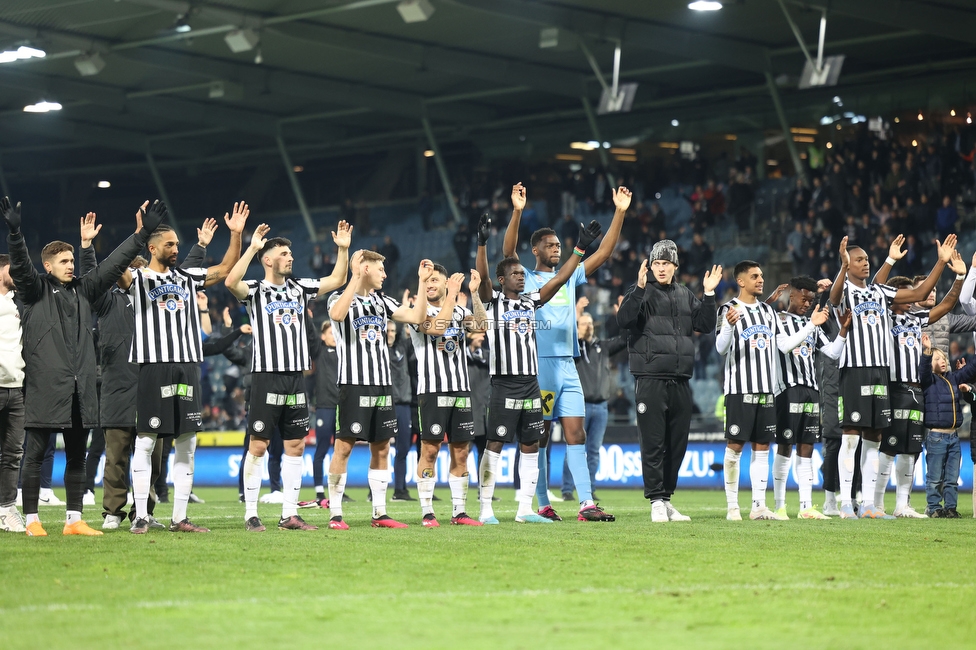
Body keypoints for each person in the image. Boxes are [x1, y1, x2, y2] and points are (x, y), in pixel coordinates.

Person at [5, 197, 170, 537]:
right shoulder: (34, 291)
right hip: (44, 386)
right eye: (63, 261)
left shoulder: (85, 289)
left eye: (71, 260)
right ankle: (33, 520)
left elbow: (114, 264)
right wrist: (16, 233)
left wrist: (142, 236)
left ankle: (74, 520)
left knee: (78, 456)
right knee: (34, 456)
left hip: (81, 389)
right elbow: (20, 266)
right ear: (48, 266)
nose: (70, 265)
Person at [121, 201, 250, 534]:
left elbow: (225, 268)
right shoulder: (138, 277)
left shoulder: (189, 277)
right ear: (152, 248)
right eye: (170, 244)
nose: (177, 249)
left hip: (188, 367)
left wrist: (236, 234)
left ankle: (180, 517)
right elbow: (114, 267)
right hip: (154, 366)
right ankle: (140, 514)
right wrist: (138, 232)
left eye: (178, 244)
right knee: (146, 441)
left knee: (187, 442)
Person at [502, 181, 627, 523]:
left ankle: (586, 503)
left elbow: (604, 254)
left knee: (577, 433)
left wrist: (619, 212)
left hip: (567, 366)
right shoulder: (523, 277)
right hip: (538, 366)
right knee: (538, 436)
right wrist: (517, 211)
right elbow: (508, 251)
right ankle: (542, 503)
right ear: (536, 251)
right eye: (550, 245)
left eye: (559, 245)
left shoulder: (569, 276)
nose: (556, 249)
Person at [82, 214, 213, 530]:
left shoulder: (164, 293)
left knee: (155, 455)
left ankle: (148, 509)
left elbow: (183, 273)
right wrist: (87, 247)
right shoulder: (108, 301)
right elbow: (93, 278)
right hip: (117, 383)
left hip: (153, 382)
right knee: (115, 454)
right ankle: (113, 512)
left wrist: (201, 247)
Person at [475, 213, 603, 524]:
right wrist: (481, 244)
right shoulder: (492, 303)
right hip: (504, 383)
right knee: (496, 444)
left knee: (532, 443)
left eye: (522, 273)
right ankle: (486, 509)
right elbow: (482, 277)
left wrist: (580, 250)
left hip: (531, 383)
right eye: (515, 273)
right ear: (502, 280)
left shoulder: (531, 302)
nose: (521, 276)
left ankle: (525, 510)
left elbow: (560, 280)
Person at [225, 221, 351, 532]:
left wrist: (343, 249)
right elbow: (231, 281)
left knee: (297, 446)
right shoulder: (255, 290)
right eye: (284, 253)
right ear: (268, 260)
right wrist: (252, 246)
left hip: (296, 379)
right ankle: (251, 513)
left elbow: (337, 278)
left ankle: (289, 514)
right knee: (258, 445)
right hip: (266, 377)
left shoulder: (300, 287)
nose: (290, 257)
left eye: (290, 252)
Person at [827, 234, 957, 519]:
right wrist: (841, 267)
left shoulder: (879, 293)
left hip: (881, 373)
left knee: (874, 439)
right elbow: (833, 298)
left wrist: (940, 262)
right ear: (848, 264)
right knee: (850, 438)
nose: (865, 263)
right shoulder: (846, 289)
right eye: (859, 260)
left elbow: (919, 295)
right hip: (855, 371)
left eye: (866, 260)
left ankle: (871, 506)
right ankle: (846, 503)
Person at [326, 250, 440, 529]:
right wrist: (353, 278)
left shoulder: (382, 301)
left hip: (382, 386)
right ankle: (336, 514)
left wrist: (422, 285)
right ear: (365, 269)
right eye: (380, 269)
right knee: (343, 448)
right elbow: (338, 314)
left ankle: (379, 512)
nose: (385, 274)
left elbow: (416, 317)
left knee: (382, 447)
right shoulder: (339, 297)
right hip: (353, 384)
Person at [716, 260, 830, 521]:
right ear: (741, 281)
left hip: (767, 392)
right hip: (739, 389)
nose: (760, 279)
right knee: (734, 448)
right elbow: (721, 348)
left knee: (762, 449)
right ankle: (733, 506)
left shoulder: (768, 313)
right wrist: (729, 326)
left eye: (762, 275)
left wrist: (811, 325)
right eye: (755, 276)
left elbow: (786, 345)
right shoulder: (728, 308)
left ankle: (758, 506)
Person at [617, 244, 721, 523]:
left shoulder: (685, 294)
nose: (661, 268)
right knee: (652, 443)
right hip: (650, 378)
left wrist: (709, 294)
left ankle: (665, 499)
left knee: (676, 444)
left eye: (666, 263)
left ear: (675, 267)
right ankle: (655, 501)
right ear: (649, 266)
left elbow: (705, 324)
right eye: (656, 263)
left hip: (680, 379)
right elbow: (624, 320)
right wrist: (638, 290)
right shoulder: (640, 291)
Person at [408, 263, 488, 527]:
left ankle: (459, 512)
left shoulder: (459, 310)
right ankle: (427, 511)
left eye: (435, 280)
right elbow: (438, 328)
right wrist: (452, 296)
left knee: (461, 452)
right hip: (431, 391)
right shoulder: (417, 311)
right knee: (430, 449)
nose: (430, 284)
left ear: (444, 283)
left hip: (461, 390)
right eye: (427, 281)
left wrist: (474, 294)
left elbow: (482, 325)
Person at [764, 277, 845, 520]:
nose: (808, 303)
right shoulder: (778, 320)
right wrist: (811, 325)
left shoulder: (814, 323)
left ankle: (806, 507)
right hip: (786, 391)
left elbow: (832, 352)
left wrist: (843, 332)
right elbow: (786, 346)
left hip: (811, 390)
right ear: (792, 295)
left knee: (807, 448)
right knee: (785, 446)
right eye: (804, 298)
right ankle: (779, 506)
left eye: (811, 300)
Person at [561, 301, 628, 501]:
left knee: (593, 451)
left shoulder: (602, 347)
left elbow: (625, 339)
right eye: (583, 323)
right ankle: (566, 489)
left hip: (601, 406)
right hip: (578, 406)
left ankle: (588, 489)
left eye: (590, 323)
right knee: (574, 447)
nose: (588, 326)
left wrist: (623, 318)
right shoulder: (573, 348)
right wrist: (575, 316)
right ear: (577, 327)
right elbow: (565, 335)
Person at [920, 333, 976, 518]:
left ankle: (950, 508)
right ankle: (934, 507)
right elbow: (924, 371)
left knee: (952, 478)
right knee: (935, 478)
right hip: (936, 436)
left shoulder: (952, 378)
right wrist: (927, 351)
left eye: (943, 358)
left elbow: (970, 370)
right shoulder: (928, 381)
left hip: (953, 436)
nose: (942, 361)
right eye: (937, 359)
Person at [0, 253, 25, 533]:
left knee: (12, 454)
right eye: (11, 269)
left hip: (16, 389)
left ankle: (6, 509)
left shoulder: (17, 303)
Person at [302, 320, 339, 508]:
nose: (334, 335)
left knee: (340, 451)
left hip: (343, 408)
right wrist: (309, 319)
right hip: (325, 407)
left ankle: (338, 491)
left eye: (335, 332)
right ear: (323, 336)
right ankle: (319, 491)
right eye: (330, 332)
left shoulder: (345, 351)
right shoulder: (319, 351)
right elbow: (311, 337)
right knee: (322, 450)